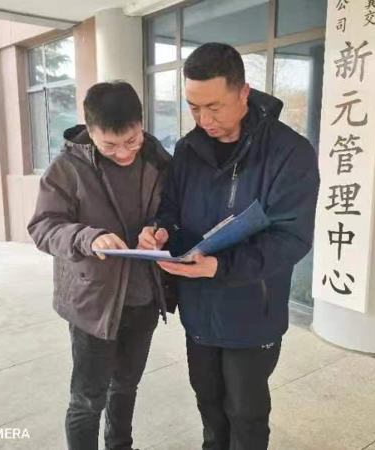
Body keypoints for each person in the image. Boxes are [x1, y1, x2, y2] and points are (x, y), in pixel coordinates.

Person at [138, 42, 320, 449]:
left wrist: (221, 267)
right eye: (193, 107)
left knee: (246, 414)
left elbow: (292, 239)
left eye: (214, 107)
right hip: (199, 307)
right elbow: (170, 209)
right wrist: (160, 230)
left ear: (243, 93)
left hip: (252, 308)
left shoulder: (289, 153)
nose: (204, 120)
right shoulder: (188, 149)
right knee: (209, 405)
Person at [28, 81, 171, 450]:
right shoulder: (67, 169)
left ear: (141, 124)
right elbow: (43, 227)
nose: (123, 152)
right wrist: (86, 237)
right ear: (90, 131)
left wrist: (158, 229)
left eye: (132, 140)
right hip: (94, 303)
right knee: (88, 398)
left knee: (126, 386)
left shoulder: (157, 160)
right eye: (110, 145)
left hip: (143, 298)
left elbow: (171, 211)